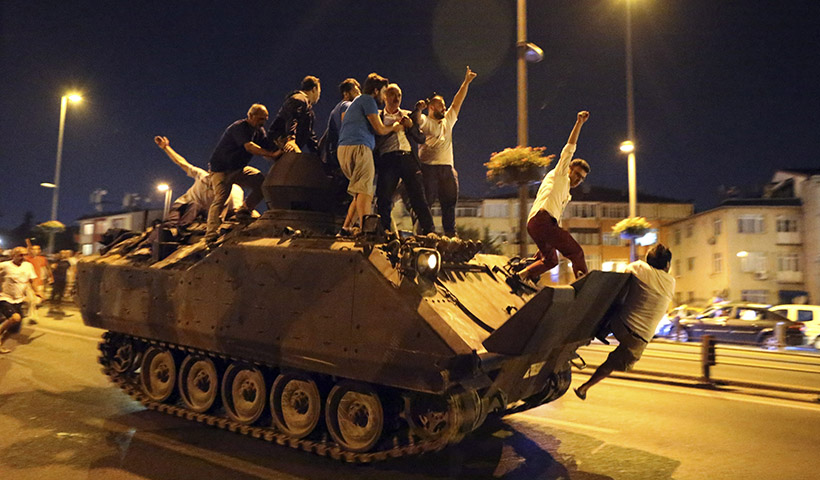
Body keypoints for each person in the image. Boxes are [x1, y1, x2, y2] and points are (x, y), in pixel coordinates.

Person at [574, 244, 676, 400]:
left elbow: (618, 282)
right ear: (667, 265)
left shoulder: (639, 267)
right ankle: (584, 387)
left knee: (619, 300)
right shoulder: (671, 282)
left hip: (620, 324)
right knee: (611, 364)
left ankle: (598, 331)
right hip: (639, 340)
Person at [508, 111, 591, 291]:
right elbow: (570, 147)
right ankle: (583, 288)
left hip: (537, 225)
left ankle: (521, 276)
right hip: (543, 221)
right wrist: (579, 123)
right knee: (576, 252)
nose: (577, 179)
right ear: (569, 169)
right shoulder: (560, 174)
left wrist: (549, 241)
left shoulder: (564, 193)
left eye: (581, 178)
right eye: (576, 173)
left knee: (551, 260)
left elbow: (555, 217)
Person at [337, 73, 405, 234]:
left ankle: (346, 227)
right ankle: (365, 230)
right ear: (375, 91)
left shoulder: (356, 103)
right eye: (383, 92)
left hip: (344, 150)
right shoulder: (368, 100)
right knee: (366, 191)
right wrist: (394, 127)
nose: (384, 96)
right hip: (359, 148)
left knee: (359, 191)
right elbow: (380, 129)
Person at [205, 104, 280, 246]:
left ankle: (244, 211)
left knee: (262, 183)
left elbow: (267, 144)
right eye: (260, 119)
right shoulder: (239, 127)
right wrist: (270, 154)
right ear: (250, 116)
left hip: (238, 169)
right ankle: (210, 235)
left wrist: (282, 146)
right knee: (221, 199)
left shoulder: (259, 130)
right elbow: (250, 147)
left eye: (265, 119)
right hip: (222, 170)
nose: (262, 122)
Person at [416, 66, 477, 237]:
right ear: (432, 109)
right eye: (440, 107)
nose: (444, 109)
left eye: (444, 106)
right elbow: (416, 119)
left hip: (447, 167)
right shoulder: (425, 121)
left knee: (449, 201)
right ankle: (424, 233)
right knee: (426, 202)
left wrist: (466, 82)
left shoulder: (448, 121)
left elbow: (457, 102)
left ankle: (450, 234)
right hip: (429, 168)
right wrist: (419, 109)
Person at [374, 83, 435, 234]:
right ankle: (386, 230)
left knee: (418, 197)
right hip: (389, 158)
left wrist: (410, 126)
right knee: (384, 196)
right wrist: (391, 129)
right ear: (385, 97)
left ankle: (429, 231)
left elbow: (421, 138)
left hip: (407, 157)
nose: (396, 98)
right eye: (393, 94)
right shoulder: (378, 116)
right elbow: (375, 140)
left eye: (399, 95)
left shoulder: (407, 115)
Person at [154, 136, 244, 228]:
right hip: (185, 205)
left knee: (200, 209)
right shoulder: (201, 175)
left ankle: (182, 229)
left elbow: (237, 210)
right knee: (173, 222)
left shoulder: (234, 190)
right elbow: (181, 163)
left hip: (205, 212)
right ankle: (165, 232)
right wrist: (166, 148)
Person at [0, 247, 41, 353]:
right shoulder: (5, 265)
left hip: (19, 299)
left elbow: (32, 280)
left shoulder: (28, 266)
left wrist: (37, 291)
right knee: (15, 317)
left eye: (25, 255)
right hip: (5, 297)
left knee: (14, 328)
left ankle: (1, 344)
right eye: (20, 255)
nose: (23, 257)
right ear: (13, 255)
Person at [269, 76, 321, 154]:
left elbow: (308, 133)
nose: (319, 96)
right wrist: (291, 139)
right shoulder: (299, 99)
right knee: (299, 161)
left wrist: (318, 154)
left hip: (286, 140)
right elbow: (292, 117)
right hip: (282, 140)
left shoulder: (307, 108)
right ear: (314, 89)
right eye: (319, 92)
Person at [322, 78, 361, 169]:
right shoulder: (347, 105)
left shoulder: (336, 109)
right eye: (356, 92)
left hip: (335, 155)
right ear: (346, 94)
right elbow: (348, 128)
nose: (359, 95)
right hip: (345, 154)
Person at [24, 243, 51, 323]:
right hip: (30, 282)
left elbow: (46, 268)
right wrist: (28, 245)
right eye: (34, 249)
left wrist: (50, 277)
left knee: (37, 300)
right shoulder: (27, 258)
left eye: (38, 249)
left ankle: (28, 308)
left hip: (40, 282)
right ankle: (32, 317)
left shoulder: (42, 259)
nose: (36, 250)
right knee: (32, 300)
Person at [48, 249, 71, 316]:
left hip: (63, 279)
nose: (64, 255)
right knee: (54, 292)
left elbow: (67, 268)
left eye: (65, 253)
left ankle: (58, 305)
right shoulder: (57, 261)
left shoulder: (66, 262)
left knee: (61, 293)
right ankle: (51, 306)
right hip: (56, 279)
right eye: (62, 253)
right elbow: (52, 268)